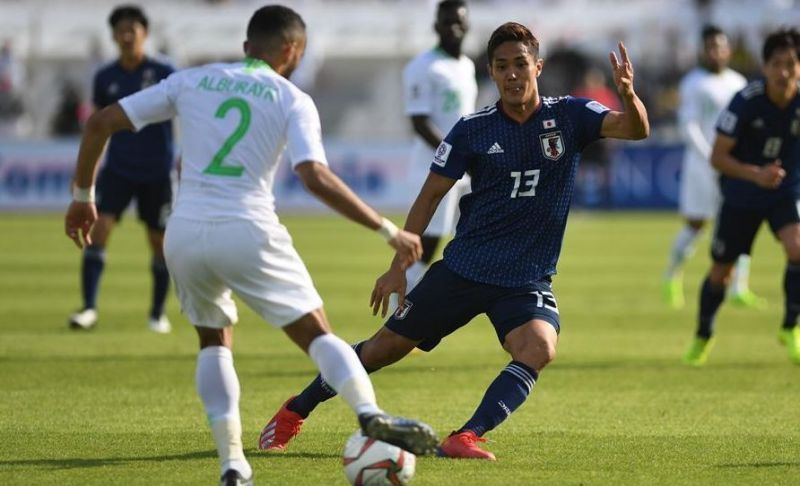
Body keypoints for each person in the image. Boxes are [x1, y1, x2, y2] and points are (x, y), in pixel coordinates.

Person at [64, 5, 439, 485]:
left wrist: (82, 198)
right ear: (293, 51)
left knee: (214, 342)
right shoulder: (291, 98)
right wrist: (389, 231)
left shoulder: (190, 80)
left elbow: (98, 124)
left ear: (246, 48)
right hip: (248, 229)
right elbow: (315, 176)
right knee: (319, 335)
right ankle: (368, 413)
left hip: (185, 231)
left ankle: (233, 464)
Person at [258, 21, 648, 460]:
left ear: (538, 67)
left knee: (538, 347)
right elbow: (430, 196)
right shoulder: (473, 129)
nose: (512, 74)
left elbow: (635, 130)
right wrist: (399, 265)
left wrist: (630, 94)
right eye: (502, 66)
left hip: (525, 278)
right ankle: (296, 409)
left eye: (521, 64)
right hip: (465, 269)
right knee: (384, 348)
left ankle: (466, 436)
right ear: (492, 72)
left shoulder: (572, 116)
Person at [683, 28, 800, 367]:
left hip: (783, 191)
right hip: (742, 193)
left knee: (796, 248)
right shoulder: (746, 100)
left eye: (791, 64)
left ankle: (790, 326)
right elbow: (718, 157)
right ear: (764, 68)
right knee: (722, 271)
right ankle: (703, 334)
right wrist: (756, 174)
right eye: (777, 64)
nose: (784, 72)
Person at [68, 5, 176, 333]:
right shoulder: (105, 77)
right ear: (113, 36)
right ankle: (88, 309)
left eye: (133, 29)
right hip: (118, 169)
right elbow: (98, 127)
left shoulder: (165, 70)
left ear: (145, 32)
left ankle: (157, 314)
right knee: (98, 231)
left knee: (159, 243)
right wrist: (88, 174)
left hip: (157, 170)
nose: (127, 36)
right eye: (121, 30)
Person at [663, 25, 765, 310]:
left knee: (740, 223)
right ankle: (672, 275)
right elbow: (689, 125)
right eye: (710, 47)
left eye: (720, 47)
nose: (715, 52)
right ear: (703, 51)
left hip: (733, 165)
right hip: (702, 167)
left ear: (728, 50)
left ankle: (738, 287)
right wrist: (710, 156)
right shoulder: (693, 83)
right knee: (696, 226)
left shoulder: (738, 82)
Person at [399, 0, 477, 297]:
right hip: (432, 167)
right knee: (428, 242)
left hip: (463, 168)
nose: (453, 27)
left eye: (459, 21)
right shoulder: (422, 67)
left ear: (468, 24)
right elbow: (419, 122)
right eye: (447, 22)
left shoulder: (466, 66)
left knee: (470, 236)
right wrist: (454, 154)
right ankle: (399, 309)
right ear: (436, 26)